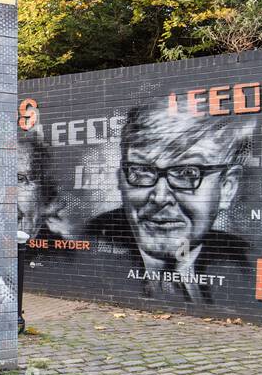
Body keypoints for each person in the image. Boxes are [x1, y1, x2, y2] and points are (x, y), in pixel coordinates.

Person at [81, 104, 252, 305]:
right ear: (121, 180)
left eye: (187, 173)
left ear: (227, 188)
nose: (160, 197)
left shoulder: (247, 265)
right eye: (141, 171)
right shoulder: (79, 256)